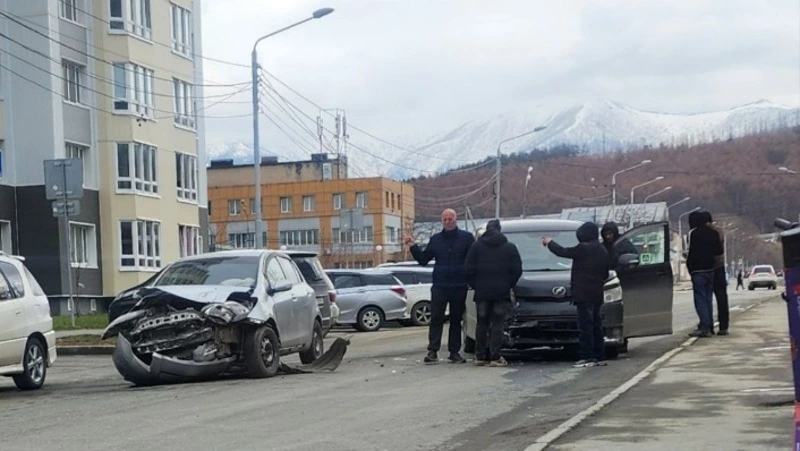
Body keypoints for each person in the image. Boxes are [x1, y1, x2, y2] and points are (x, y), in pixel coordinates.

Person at [404, 208, 475, 363]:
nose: (448, 222)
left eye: (450, 219)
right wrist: (413, 246)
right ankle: (432, 351)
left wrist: (471, 278)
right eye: (445, 219)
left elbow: (473, 260)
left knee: (456, 320)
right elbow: (423, 260)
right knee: (436, 318)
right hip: (440, 286)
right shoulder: (436, 240)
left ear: (456, 220)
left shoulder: (467, 238)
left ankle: (454, 352)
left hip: (459, 285)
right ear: (441, 221)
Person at [542, 222, 610, 368]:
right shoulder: (602, 249)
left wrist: (550, 243)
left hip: (583, 294)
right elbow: (605, 273)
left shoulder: (583, 248)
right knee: (597, 326)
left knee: (585, 326)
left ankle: (587, 356)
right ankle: (600, 356)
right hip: (597, 293)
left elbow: (563, 252)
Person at [465, 219, 523, 367]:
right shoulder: (509, 247)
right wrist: (508, 284)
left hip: (482, 291)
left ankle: (480, 356)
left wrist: (475, 285)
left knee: (482, 323)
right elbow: (517, 270)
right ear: (500, 229)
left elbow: (468, 269)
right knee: (497, 324)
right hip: (501, 292)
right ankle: (495, 356)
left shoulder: (476, 246)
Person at [686, 211, 723, 338]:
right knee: (708, 298)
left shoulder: (694, 233)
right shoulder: (714, 233)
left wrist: (689, 267)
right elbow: (719, 250)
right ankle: (709, 325)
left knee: (700, 298)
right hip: (710, 268)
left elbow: (690, 251)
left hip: (697, 269)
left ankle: (705, 326)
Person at [703, 211, 729, 335]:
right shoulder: (719, 231)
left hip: (711, 267)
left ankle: (708, 325)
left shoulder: (706, 232)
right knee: (721, 297)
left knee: (706, 298)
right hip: (719, 266)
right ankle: (723, 326)